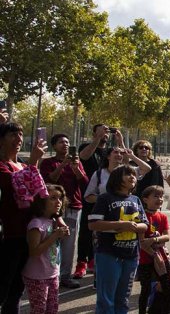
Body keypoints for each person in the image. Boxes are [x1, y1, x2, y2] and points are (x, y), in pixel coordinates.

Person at [88, 165, 149, 314]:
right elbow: (93, 224)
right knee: (106, 299)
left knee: (123, 299)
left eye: (134, 174)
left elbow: (145, 225)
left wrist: (133, 226)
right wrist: (121, 225)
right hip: (109, 254)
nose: (132, 177)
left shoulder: (136, 199)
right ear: (116, 178)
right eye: (127, 174)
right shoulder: (105, 198)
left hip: (131, 255)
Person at [39, 133, 88, 289]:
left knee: (69, 244)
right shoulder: (48, 162)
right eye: (61, 142)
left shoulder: (76, 162)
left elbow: (85, 183)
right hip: (52, 208)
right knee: (50, 241)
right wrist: (62, 165)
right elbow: (49, 181)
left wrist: (75, 169)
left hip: (73, 207)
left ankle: (65, 276)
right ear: (54, 146)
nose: (65, 145)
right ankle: (47, 274)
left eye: (67, 142)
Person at [23, 185, 69, 314]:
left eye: (60, 198)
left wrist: (61, 233)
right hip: (37, 276)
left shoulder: (53, 220)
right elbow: (34, 251)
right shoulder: (36, 224)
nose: (58, 202)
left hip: (53, 273)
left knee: (52, 308)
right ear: (42, 201)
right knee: (39, 309)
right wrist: (55, 235)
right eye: (53, 198)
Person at [75, 124, 112, 280]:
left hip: (105, 198)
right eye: (103, 130)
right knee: (85, 229)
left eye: (107, 131)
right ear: (94, 132)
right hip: (89, 196)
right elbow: (83, 156)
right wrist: (97, 139)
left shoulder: (109, 152)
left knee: (102, 230)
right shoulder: (87, 146)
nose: (106, 133)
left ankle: (92, 260)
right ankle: (81, 262)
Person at [137, 186, 170, 314]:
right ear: (145, 199)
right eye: (155, 196)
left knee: (166, 286)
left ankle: (166, 309)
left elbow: (167, 236)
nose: (159, 199)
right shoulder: (141, 216)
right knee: (145, 289)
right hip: (146, 259)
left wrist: (154, 240)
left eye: (161, 196)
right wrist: (153, 253)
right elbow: (142, 242)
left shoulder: (162, 216)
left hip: (161, 257)